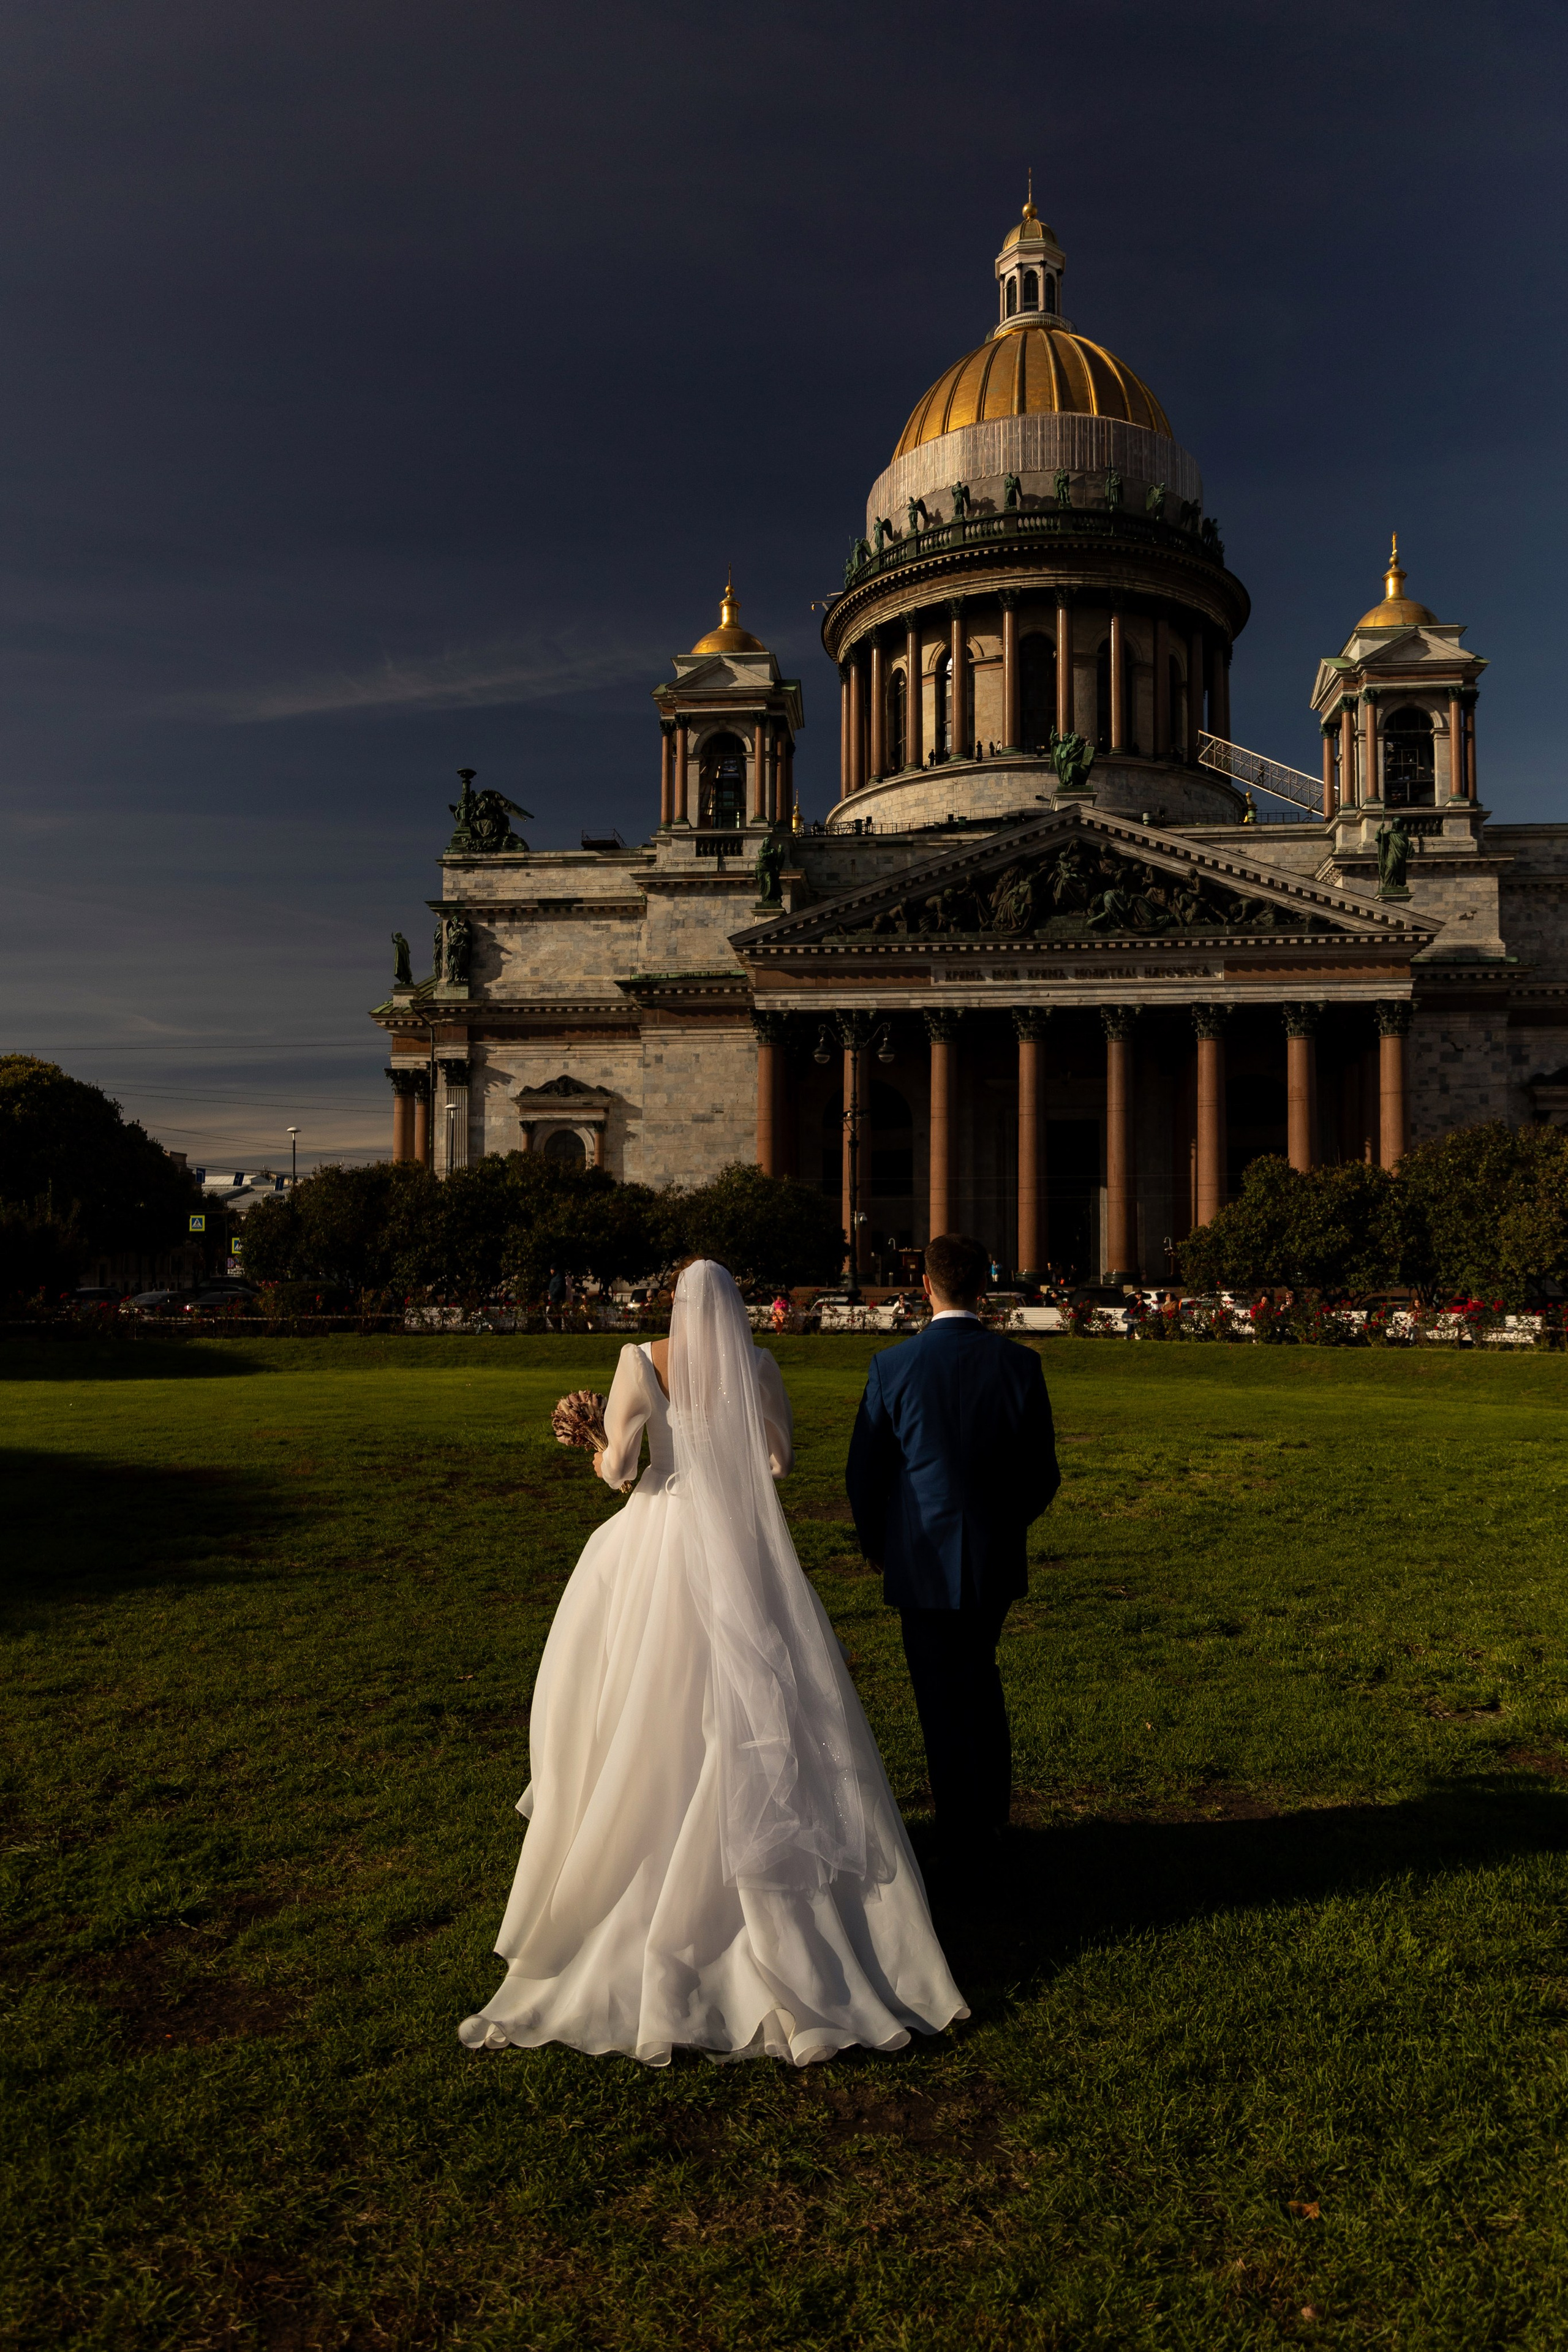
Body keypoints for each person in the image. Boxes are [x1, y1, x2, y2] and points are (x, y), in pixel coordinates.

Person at [459, 1259, 966, 2067]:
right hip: (741, 1544)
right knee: (768, 1699)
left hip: (658, 1539)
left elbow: (622, 1471)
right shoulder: (757, 1364)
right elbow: (778, 1463)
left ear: (673, 1304)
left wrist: (596, 1444)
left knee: (643, 1694)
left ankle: (641, 1853)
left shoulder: (640, 1361)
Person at [846, 1232, 1060, 1852]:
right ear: (984, 1285)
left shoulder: (892, 1366)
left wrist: (877, 1542)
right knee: (981, 1678)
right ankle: (988, 1815)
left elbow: (864, 1473)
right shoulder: (1019, 1364)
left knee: (937, 1692)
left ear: (924, 1287)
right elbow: (1042, 1473)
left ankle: (956, 1825)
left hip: (919, 1557)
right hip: (992, 1553)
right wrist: (1004, 1523)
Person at [544, 1266, 566, 1330]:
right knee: (556, 1314)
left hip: (557, 1299)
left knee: (550, 1314)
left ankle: (557, 1328)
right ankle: (558, 1329)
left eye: (551, 1269)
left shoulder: (559, 1277)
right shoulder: (556, 1276)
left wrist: (552, 1294)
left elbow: (559, 1288)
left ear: (554, 1270)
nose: (550, 1271)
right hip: (555, 1299)